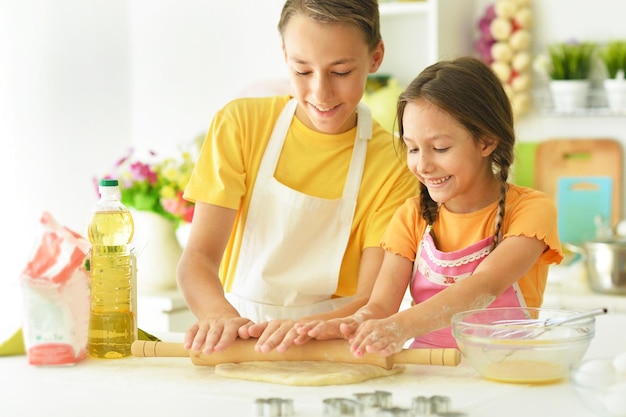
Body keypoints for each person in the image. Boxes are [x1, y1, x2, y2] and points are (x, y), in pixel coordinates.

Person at [177, 0, 418, 355]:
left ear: (375, 57)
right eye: (302, 71)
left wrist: (300, 333)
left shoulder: (394, 165)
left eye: (341, 72)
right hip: (236, 340)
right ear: (285, 54)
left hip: (335, 344)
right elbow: (198, 257)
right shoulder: (241, 124)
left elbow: (372, 299)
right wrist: (219, 317)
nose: (320, 93)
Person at [296, 56, 564, 356]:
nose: (422, 165)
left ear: (487, 142)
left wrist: (401, 327)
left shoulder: (531, 210)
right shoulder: (411, 217)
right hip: (427, 368)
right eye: (412, 148)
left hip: (507, 369)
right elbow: (381, 306)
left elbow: (485, 286)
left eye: (440, 148)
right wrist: (352, 323)